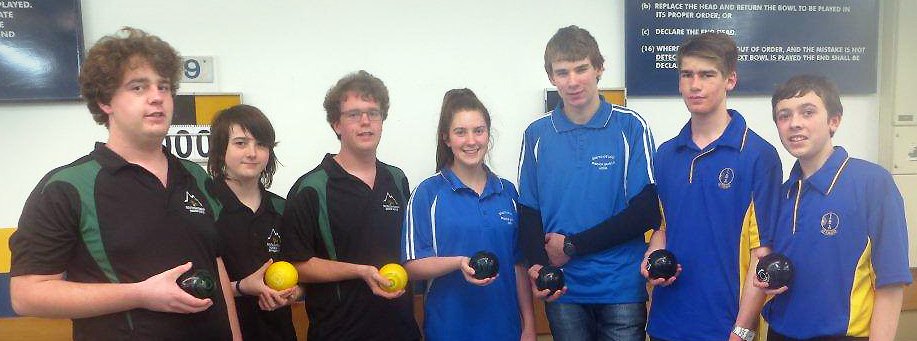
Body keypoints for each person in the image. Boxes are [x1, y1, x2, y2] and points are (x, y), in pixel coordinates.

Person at [8, 27, 241, 340]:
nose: (157, 96)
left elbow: (215, 264)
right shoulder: (68, 188)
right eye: (138, 87)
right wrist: (140, 294)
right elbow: (26, 294)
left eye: (164, 86)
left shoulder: (196, 177)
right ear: (106, 101)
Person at [516, 25, 657, 341]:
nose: (573, 80)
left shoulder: (630, 127)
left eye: (581, 69)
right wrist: (538, 265)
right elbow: (528, 211)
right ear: (552, 77)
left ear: (599, 68)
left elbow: (646, 211)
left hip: (620, 286)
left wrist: (573, 246)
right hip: (564, 289)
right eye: (563, 72)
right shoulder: (536, 134)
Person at [643, 32, 783, 341]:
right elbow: (663, 228)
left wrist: (743, 329)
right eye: (687, 75)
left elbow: (762, 251)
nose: (695, 85)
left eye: (707, 75)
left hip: (726, 328)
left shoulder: (758, 155)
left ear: (730, 80)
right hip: (667, 324)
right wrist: (650, 260)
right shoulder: (666, 155)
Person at [758, 74, 911, 340]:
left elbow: (891, 281)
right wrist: (764, 281)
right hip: (779, 333)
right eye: (784, 116)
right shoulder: (783, 194)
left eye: (808, 112)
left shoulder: (872, 183)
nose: (795, 123)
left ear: (834, 121)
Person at [281, 70, 421, 340]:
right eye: (354, 114)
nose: (365, 122)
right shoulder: (311, 188)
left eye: (374, 113)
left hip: (401, 331)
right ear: (336, 124)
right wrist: (359, 271)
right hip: (339, 332)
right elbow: (297, 265)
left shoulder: (397, 179)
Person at [402, 88, 536, 340]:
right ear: (446, 138)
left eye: (478, 130)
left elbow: (517, 263)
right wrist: (458, 263)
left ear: (488, 134)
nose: (471, 141)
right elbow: (411, 266)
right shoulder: (427, 194)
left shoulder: (508, 192)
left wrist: (528, 324)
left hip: (505, 330)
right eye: (460, 132)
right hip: (449, 330)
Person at [206, 104, 301, 340]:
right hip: (219, 332)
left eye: (261, 144)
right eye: (240, 143)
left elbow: (302, 274)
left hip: (279, 332)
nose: (252, 152)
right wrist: (241, 287)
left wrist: (293, 293)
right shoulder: (202, 207)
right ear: (220, 151)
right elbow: (191, 283)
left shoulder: (283, 208)